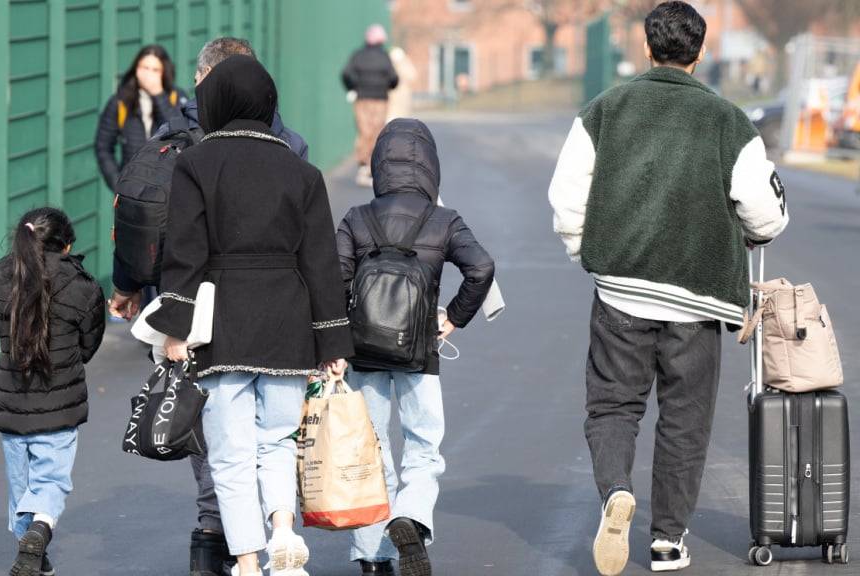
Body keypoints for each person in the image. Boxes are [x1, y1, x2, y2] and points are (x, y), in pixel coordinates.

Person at [547, 3, 789, 574]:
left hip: (620, 292)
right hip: (698, 301)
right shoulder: (731, 122)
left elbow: (566, 199)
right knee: (685, 417)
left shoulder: (603, 111)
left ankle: (614, 493)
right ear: (700, 53)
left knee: (612, 405)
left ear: (645, 47)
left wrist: (592, 253)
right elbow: (766, 217)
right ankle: (668, 540)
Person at [105, 37, 311, 576]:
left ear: (201, 80)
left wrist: (127, 287)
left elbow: (140, 216)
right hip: (274, 307)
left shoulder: (171, 140)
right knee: (271, 431)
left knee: (213, 427)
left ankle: (212, 536)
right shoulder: (286, 143)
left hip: (186, 302)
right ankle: (266, 534)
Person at [146, 55, 354, 576]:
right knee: (279, 440)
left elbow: (186, 253)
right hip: (288, 321)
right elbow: (321, 262)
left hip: (223, 325)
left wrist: (176, 329)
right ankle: (284, 529)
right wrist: (333, 344)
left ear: (215, 102)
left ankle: (247, 558)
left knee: (232, 452)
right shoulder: (301, 170)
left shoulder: (196, 164)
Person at [337, 118, 495, 576]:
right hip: (418, 350)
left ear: (378, 164)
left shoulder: (356, 217)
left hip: (362, 351)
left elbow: (332, 281)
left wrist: (333, 344)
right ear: (430, 166)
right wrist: (451, 320)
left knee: (372, 449)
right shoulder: (443, 220)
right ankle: (411, 515)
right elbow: (481, 268)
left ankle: (373, 557)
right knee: (424, 446)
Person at [0, 207, 106, 576]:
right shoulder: (82, 286)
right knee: (51, 479)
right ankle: (41, 529)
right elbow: (89, 343)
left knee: (20, 483)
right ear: (67, 245)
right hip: (59, 402)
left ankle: (33, 554)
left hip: (11, 402)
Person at [95, 44, 186, 192]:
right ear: (136, 69)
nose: (149, 74)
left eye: (155, 70)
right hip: (132, 190)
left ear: (164, 72)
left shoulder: (176, 97)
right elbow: (103, 147)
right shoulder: (120, 101)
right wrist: (118, 183)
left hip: (168, 190)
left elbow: (180, 132)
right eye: (144, 67)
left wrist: (158, 94)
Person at [342, 24, 398, 187]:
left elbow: (346, 74)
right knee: (376, 130)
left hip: (362, 98)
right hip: (380, 98)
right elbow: (394, 78)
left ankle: (363, 164)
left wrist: (353, 87)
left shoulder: (357, 56)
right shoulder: (385, 57)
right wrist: (387, 86)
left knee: (363, 130)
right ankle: (372, 166)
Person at [386, 47, 416, 122]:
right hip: (392, 99)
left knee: (401, 118)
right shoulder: (389, 66)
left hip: (401, 98)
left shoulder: (405, 66)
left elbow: (412, 76)